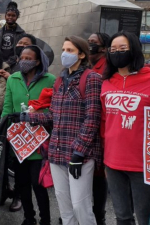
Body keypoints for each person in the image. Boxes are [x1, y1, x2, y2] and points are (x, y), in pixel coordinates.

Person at [16, 36, 103, 225]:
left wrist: (79, 153)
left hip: (79, 154)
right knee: (65, 207)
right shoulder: (59, 80)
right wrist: (30, 117)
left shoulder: (92, 78)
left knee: (81, 206)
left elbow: (92, 118)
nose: (65, 54)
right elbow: (54, 115)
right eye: (64, 49)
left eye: (70, 50)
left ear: (81, 54)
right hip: (56, 152)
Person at [2, 45, 56, 225]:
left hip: (40, 140)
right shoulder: (13, 79)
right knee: (22, 182)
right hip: (19, 141)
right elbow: (7, 108)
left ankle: (45, 220)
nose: (23, 61)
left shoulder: (51, 80)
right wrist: (5, 132)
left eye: (28, 58)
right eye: (21, 57)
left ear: (38, 61)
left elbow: (53, 111)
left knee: (38, 184)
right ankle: (29, 218)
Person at [101, 31, 150, 225]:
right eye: (113, 49)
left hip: (143, 164)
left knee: (143, 217)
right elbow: (104, 122)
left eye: (123, 48)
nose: (117, 53)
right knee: (122, 217)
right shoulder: (106, 83)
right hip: (113, 162)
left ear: (134, 50)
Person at [87, 32, 110, 225]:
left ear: (103, 48)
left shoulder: (107, 68)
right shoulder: (88, 65)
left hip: (101, 127)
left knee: (98, 176)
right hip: (87, 125)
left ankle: (99, 215)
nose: (89, 45)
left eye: (93, 43)